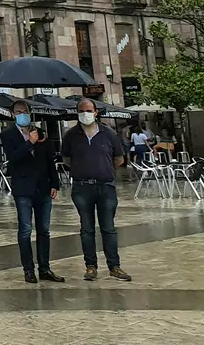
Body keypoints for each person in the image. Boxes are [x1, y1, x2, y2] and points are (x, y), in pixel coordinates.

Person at [61, 99, 131, 282]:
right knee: (87, 229)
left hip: (105, 186)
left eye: (89, 110)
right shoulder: (71, 135)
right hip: (82, 187)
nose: (86, 113)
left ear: (96, 112)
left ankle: (114, 266)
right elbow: (67, 159)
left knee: (108, 228)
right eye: (82, 110)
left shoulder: (109, 134)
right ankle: (90, 266)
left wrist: (104, 169)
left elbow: (119, 159)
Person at [0, 100, 64, 284]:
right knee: (25, 230)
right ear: (13, 115)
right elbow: (13, 159)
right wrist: (29, 143)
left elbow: (48, 159)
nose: (22, 114)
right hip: (23, 188)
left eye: (25, 111)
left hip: (43, 187)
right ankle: (28, 269)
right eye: (18, 111)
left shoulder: (40, 132)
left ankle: (45, 267)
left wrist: (55, 183)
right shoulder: (8, 135)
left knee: (44, 230)